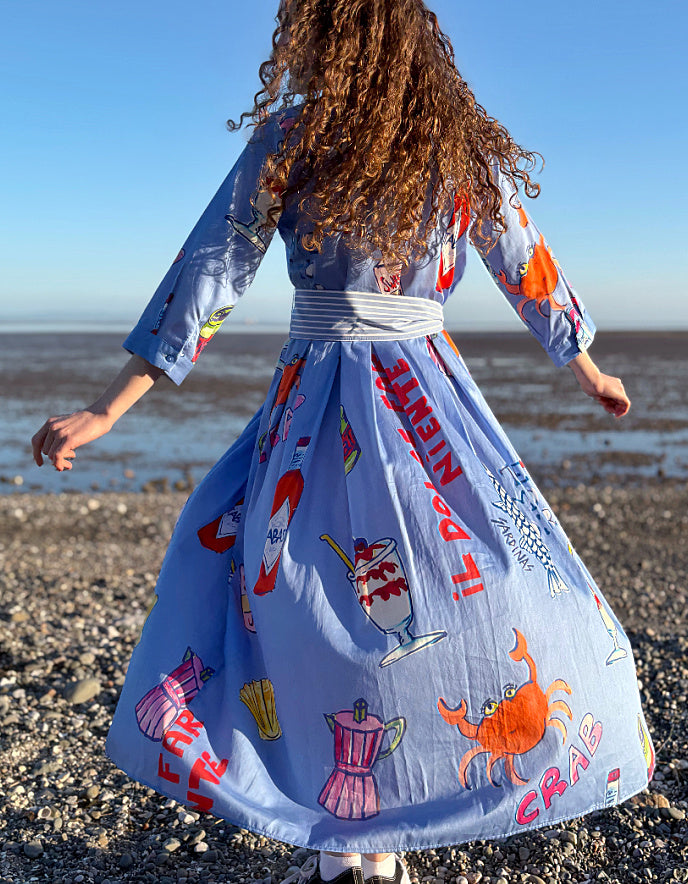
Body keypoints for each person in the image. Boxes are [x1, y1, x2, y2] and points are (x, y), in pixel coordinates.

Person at [32, 2, 654, 884]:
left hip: (317, 397)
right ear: (417, 42)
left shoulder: (302, 135)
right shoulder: (449, 145)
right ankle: (362, 836)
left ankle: (354, 836)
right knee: (432, 600)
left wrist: (111, 406)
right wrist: (586, 368)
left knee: (301, 597)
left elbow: (214, 268)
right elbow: (528, 261)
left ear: (324, 37)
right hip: (426, 402)